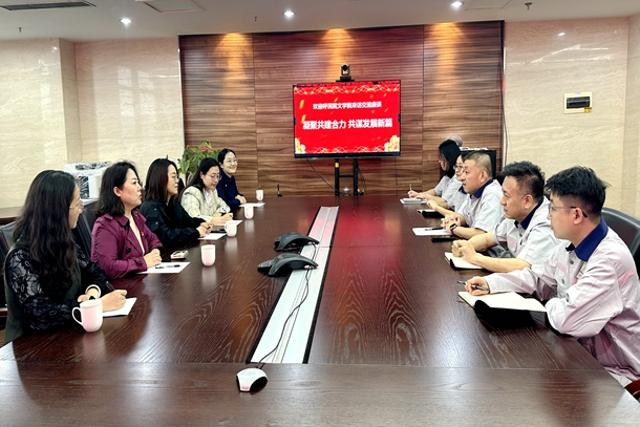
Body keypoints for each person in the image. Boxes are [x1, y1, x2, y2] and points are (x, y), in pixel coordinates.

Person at [465, 166, 640, 389]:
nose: (548, 215)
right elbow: (540, 277)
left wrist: (551, 302)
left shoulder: (609, 260)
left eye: (553, 208)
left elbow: (567, 320)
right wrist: (492, 283)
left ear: (576, 215)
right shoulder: (571, 244)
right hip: (578, 351)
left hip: (614, 373)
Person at [3, 170, 127, 343]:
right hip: (31, 348)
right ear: (58, 210)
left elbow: (95, 272)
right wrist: (96, 306)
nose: (81, 210)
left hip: (68, 337)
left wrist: (92, 294)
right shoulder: (19, 257)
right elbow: (41, 314)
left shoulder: (64, 243)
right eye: (77, 204)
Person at [452, 161, 557, 272]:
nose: (502, 201)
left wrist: (475, 258)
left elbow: (523, 266)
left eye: (506, 195)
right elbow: (487, 239)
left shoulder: (545, 223)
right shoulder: (516, 213)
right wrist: (466, 246)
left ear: (527, 201)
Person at [91, 161, 163, 279]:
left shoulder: (136, 216)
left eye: (138, 183)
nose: (140, 188)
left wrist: (155, 252)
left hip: (143, 282)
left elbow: (153, 240)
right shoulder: (105, 225)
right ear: (117, 191)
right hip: (122, 288)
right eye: (134, 183)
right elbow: (108, 267)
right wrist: (143, 262)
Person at [140, 158, 210, 248]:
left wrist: (201, 223)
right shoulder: (150, 207)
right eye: (173, 177)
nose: (177, 181)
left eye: (177, 177)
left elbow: (188, 221)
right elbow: (165, 237)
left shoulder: (173, 203)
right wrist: (196, 232)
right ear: (161, 179)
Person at [443, 151, 502, 239]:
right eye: (463, 172)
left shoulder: (492, 195)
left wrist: (453, 228)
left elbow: (481, 234)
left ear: (482, 176)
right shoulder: (473, 191)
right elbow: (465, 217)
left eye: (466, 172)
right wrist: (452, 219)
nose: (462, 178)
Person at [408, 139, 461, 208]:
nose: (439, 161)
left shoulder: (458, 178)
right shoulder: (447, 176)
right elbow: (435, 191)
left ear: (449, 159)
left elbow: (444, 201)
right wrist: (418, 194)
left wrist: (425, 196)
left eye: (441, 158)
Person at [180, 157, 233, 227]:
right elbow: (194, 217)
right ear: (202, 175)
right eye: (212, 176)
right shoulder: (191, 193)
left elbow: (225, 206)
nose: (216, 180)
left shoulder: (212, 191)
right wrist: (214, 220)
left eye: (218, 176)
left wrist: (218, 213)